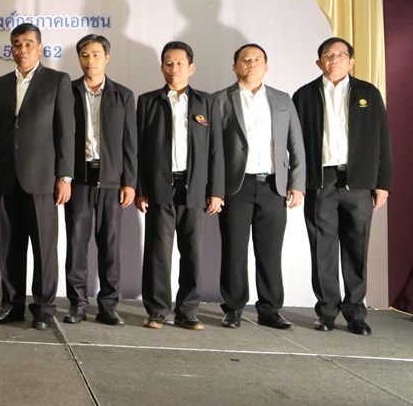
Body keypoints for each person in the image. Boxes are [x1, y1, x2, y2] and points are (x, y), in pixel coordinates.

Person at [292, 38, 391, 335]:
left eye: (340, 55)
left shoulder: (368, 93)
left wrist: (383, 183)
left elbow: (382, 139)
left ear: (351, 61)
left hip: (358, 181)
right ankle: (326, 312)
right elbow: (293, 144)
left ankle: (355, 312)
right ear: (319, 62)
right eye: (328, 55)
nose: (334, 59)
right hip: (320, 180)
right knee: (321, 247)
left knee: (356, 246)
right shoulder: (304, 95)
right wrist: (296, 181)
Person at [0, 23, 74, 330]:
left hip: (43, 179)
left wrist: (65, 176)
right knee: (9, 246)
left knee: (44, 248)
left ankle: (44, 309)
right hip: (6, 177)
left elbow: (66, 132)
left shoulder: (57, 81)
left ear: (39, 48)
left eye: (28, 44)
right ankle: (11, 305)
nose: (22, 50)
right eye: (17, 45)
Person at [215, 44, 305, 329]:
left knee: (270, 252)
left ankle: (270, 310)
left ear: (266, 66)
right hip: (235, 187)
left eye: (257, 59)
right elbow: (213, 150)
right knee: (234, 251)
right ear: (235, 66)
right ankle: (233, 308)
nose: (251, 63)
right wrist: (214, 189)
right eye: (245, 59)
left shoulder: (282, 99)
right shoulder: (219, 100)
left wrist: (297, 184)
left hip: (273, 186)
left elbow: (296, 144)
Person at [135, 41, 224, 329]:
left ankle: (187, 311)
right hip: (159, 187)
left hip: (194, 188)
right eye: (169, 63)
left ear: (191, 67)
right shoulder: (148, 101)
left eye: (180, 63)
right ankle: (157, 310)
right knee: (158, 253)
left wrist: (216, 191)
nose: (174, 68)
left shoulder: (207, 102)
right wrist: (140, 188)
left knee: (193, 252)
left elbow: (216, 149)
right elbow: (139, 150)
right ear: (162, 67)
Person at [62, 34, 137, 327]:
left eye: (95, 55)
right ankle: (78, 304)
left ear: (107, 57)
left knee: (110, 246)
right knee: (76, 244)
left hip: (111, 181)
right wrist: (62, 177)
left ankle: (108, 305)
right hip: (78, 180)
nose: (90, 60)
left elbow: (130, 143)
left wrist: (129, 182)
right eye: (84, 55)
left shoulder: (123, 95)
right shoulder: (67, 92)